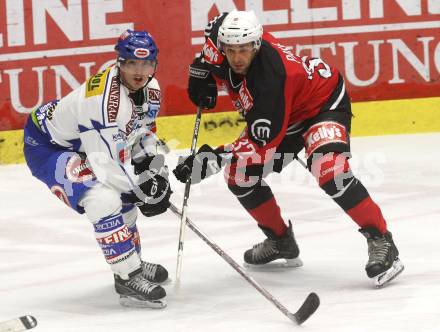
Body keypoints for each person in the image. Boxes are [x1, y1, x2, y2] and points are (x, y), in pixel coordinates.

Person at [173, 10, 404, 287]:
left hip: (320, 104)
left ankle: (381, 239)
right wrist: (200, 72)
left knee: (330, 171)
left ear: (256, 45)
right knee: (240, 176)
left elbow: (260, 144)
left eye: (244, 50)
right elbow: (212, 37)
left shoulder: (271, 79)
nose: (236, 58)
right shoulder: (221, 44)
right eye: (230, 50)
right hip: (283, 113)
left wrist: (210, 159)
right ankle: (280, 240)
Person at [23, 29, 172, 307]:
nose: (140, 71)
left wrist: (154, 174)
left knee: (127, 195)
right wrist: (144, 192)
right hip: (48, 147)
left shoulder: (151, 90)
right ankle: (127, 278)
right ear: (120, 63)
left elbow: (144, 134)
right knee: (103, 198)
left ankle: (132, 263)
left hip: (87, 142)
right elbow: (107, 167)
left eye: (146, 64)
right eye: (132, 64)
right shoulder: (102, 101)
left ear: (154, 64)